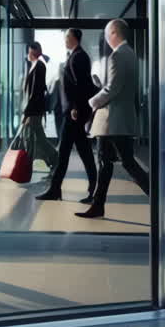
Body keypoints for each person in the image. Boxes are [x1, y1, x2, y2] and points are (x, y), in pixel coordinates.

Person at [78, 19, 150, 219]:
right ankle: (97, 205)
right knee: (114, 162)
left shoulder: (117, 56)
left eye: (108, 34)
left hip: (111, 120)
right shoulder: (132, 55)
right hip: (121, 119)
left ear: (114, 33)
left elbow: (112, 89)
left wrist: (91, 102)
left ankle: (156, 195)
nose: (107, 38)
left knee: (114, 162)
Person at [37, 28, 99, 203]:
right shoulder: (75, 55)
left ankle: (55, 189)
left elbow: (81, 86)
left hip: (74, 113)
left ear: (74, 38)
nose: (65, 39)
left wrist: (74, 107)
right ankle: (91, 189)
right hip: (73, 112)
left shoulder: (79, 57)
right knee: (83, 151)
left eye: (67, 37)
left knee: (64, 151)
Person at [20, 42, 57, 172]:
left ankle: (30, 162)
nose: (28, 55)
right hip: (34, 109)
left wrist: (27, 112)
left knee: (31, 136)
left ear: (35, 52)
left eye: (30, 52)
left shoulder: (39, 65)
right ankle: (51, 158)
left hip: (34, 109)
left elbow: (35, 92)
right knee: (37, 136)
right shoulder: (34, 65)